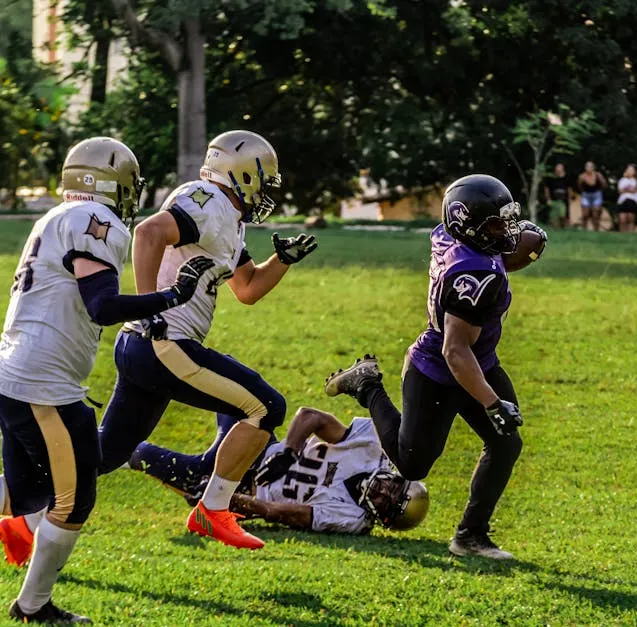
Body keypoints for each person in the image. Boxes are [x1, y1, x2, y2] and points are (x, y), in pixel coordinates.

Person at [0, 137, 214, 623]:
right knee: (74, 500)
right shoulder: (93, 222)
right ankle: (33, 607)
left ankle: (33, 603)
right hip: (43, 384)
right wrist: (170, 296)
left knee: (26, 490)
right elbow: (102, 305)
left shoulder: (56, 216)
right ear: (111, 184)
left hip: (22, 371)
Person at [95, 130, 319, 551]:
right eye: (265, 180)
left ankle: (19, 505)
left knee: (103, 455)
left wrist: (282, 261)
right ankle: (212, 509)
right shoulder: (209, 201)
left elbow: (247, 288)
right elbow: (148, 234)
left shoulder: (226, 215)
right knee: (265, 407)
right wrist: (151, 308)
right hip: (164, 340)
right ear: (243, 175)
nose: (267, 190)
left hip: (146, 344)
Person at [324, 174, 546, 560]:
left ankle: (471, 535)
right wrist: (492, 403)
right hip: (438, 370)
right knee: (412, 464)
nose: (506, 230)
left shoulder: (450, 234)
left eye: (507, 220)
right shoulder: (472, 275)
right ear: (468, 224)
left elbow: (497, 256)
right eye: (496, 223)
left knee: (506, 444)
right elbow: (456, 350)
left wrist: (521, 242)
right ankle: (367, 386)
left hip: (479, 360)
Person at [126, 407, 429, 535]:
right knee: (240, 389)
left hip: (247, 488)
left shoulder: (353, 519)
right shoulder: (371, 448)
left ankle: (106, 450)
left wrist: (226, 498)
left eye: (388, 501)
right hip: (261, 447)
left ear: (383, 518)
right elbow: (311, 417)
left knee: (145, 455)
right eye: (394, 487)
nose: (383, 491)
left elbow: (277, 511)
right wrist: (289, 452)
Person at [577, 161, 607, 231]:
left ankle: (596, 230)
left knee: (595, 213)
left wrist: (599, 191)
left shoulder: (598, 175)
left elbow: (604, 185)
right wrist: (584, 192)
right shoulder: (582, 176)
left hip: (596, 194)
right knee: (585, 214)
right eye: (587, 166)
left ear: (593, 168)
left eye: (590, 166)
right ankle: (584, 229)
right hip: (586, 194)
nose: (588, 168)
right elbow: (579, 186)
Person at [542, 163, 571, 228]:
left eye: (560, 169)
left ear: (563, 169)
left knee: (563, 215)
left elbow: (569, 189)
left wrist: (569, 198)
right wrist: (548, 199)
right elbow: (546, 189)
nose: (558, 170)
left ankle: (564, 227)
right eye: (557, 169)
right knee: (553, 216)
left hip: (564, 200)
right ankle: (555, 228)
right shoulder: (551, 178)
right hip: (553, 200)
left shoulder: (567, 177)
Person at [615, 164, 637, 232]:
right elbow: (620, 191)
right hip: (622, 201)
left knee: (630, 218)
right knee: (622, 219)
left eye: (631, 170)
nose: (629, 171)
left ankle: (630, 234)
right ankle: (622, 236)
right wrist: (629, 190)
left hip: (632, 201)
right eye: (628, 169)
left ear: (635, 172)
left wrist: (626, 189)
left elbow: (634, 190)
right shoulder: (622, 180)